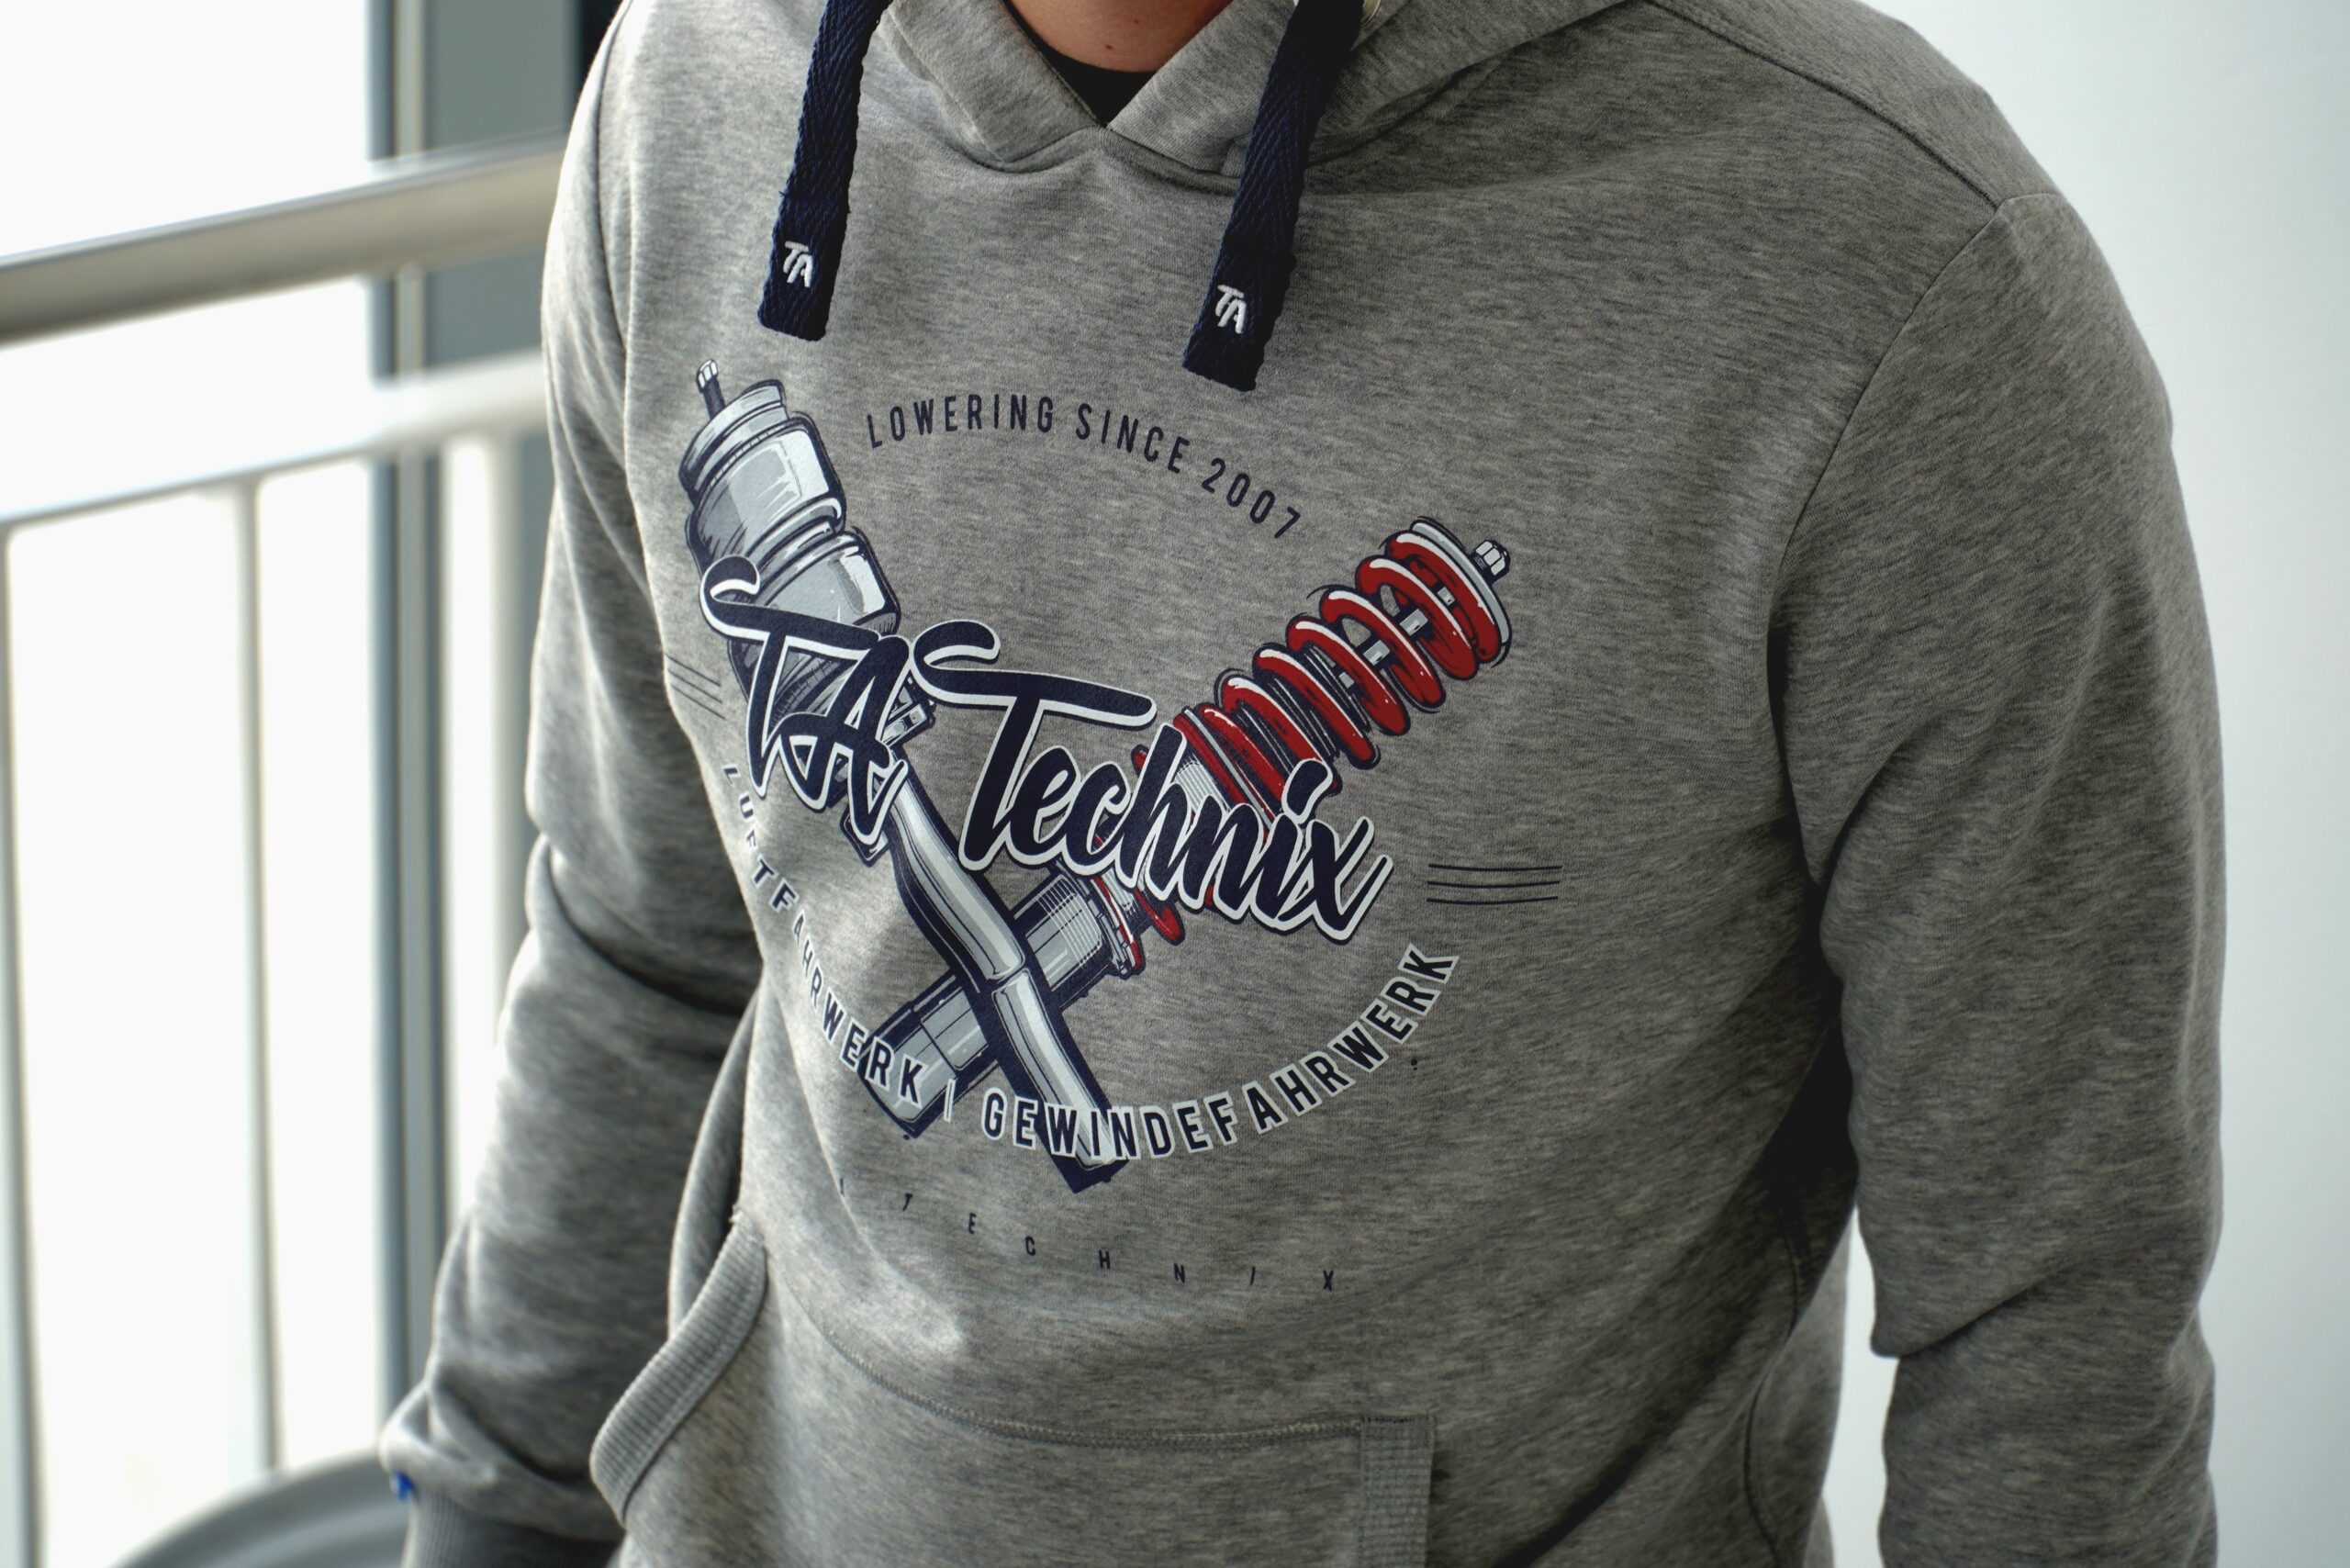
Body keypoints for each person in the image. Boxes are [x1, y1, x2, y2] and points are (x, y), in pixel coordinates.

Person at [376, 0, 2225, 1562]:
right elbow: (642, 950)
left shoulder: (1893, 270)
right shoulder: (692, 83)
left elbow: (2056, 1307)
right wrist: (485, 1517)